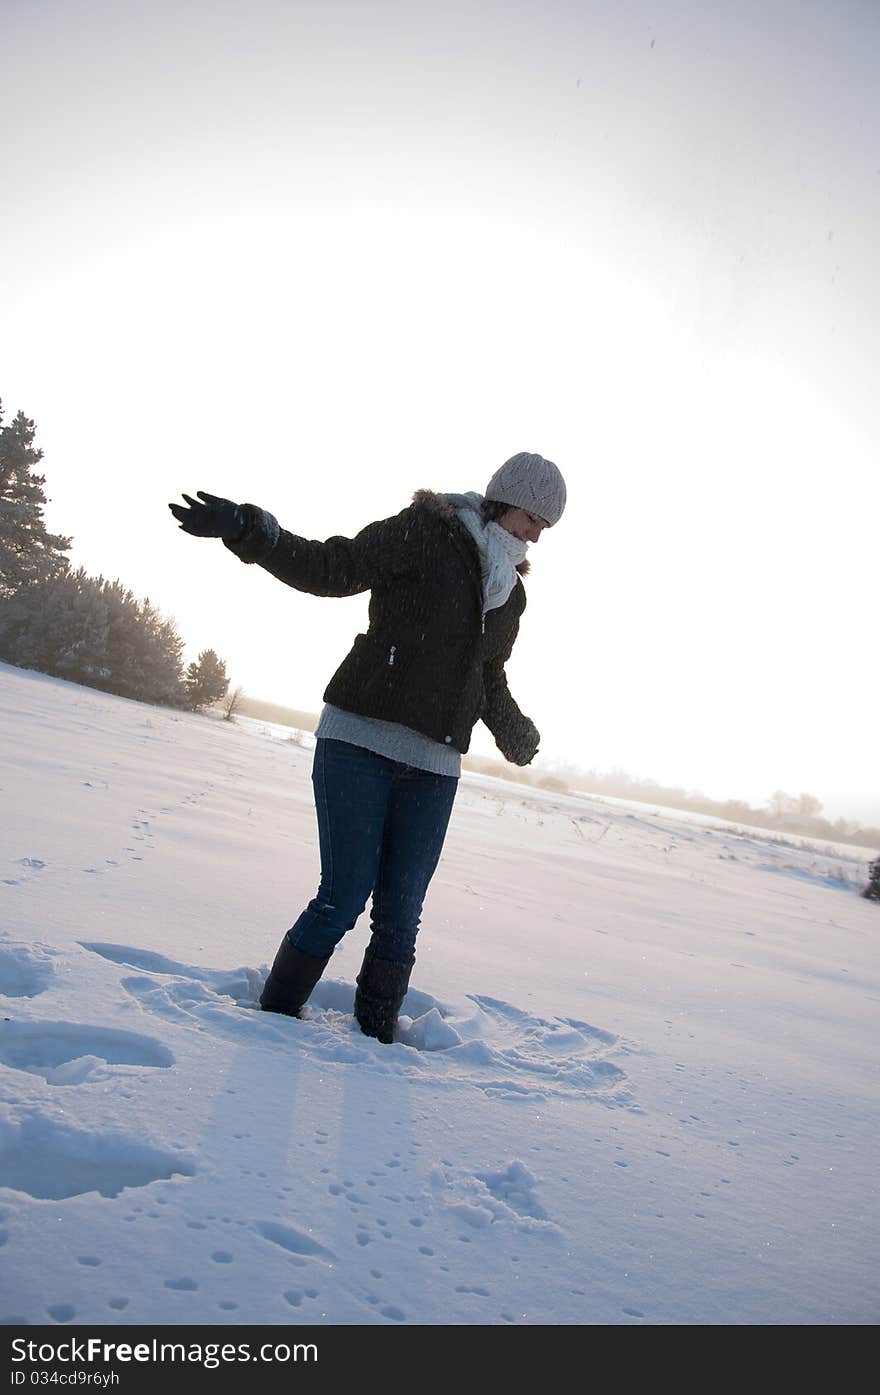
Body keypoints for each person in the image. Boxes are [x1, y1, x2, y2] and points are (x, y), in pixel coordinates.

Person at [169, 452, 566, 1042]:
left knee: (401, 916)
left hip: (434, 767)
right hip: (360, 740)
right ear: (504, 499)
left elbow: (486, 676)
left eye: (545, 527)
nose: (537, 534)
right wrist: (253, 531)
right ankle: (274, 1023)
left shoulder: (510, 595)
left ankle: (378, 1040)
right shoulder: (426, 531)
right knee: (343, 896)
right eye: (533, 517)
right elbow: (336, 567)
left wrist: (513, 730)